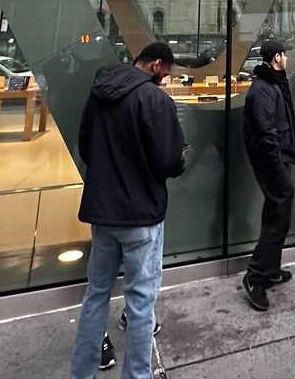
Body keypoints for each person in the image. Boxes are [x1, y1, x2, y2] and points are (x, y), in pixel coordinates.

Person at [69, 42, 186, 379]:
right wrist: (181, 157)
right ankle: (137, 374)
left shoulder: (100, 92)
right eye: (165, 73)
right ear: (156, 65)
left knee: (96, 294)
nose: (165, 79)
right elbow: (168, 162)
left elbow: (86, 147)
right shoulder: (155, 99)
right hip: (140, 213)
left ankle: (82, 372)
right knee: (140, 301)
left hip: (102, 211)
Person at [242, 40, 295, 310]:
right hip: (272, 162)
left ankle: (271, 269)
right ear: (276, 57)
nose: (286, 58)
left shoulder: (274, 82)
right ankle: (256, 277)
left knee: (278, 214)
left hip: (281, 158)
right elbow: (266, 133)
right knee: (278, 215)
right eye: (284, 54)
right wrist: (278, 163)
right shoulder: (263, 88)